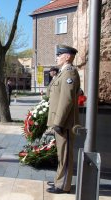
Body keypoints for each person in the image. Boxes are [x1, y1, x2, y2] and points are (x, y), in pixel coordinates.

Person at [46, 45, 80, 194]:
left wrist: (58, 122)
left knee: (65, 156)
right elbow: (51, 93)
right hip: (60, 121)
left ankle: (63, 185)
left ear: (67, 56)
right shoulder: (62, 73)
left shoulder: (69, 73)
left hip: (64, 122)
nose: (57, 57)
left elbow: (66, 100)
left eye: (59, 55)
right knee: (61, 154)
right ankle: (59, 180)